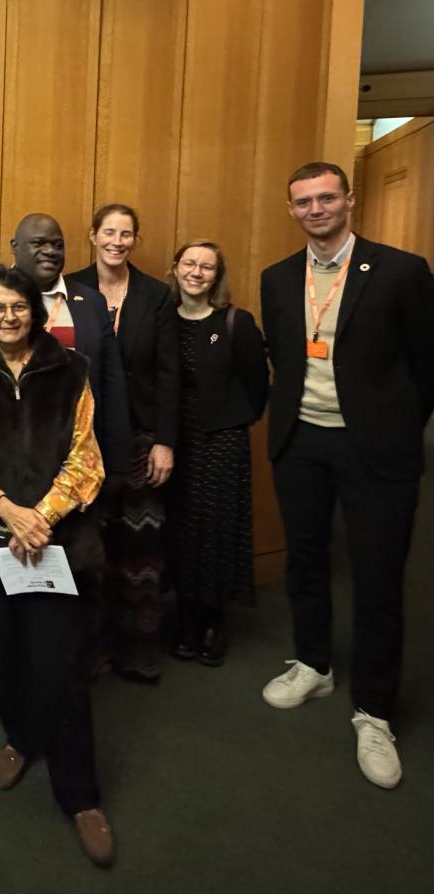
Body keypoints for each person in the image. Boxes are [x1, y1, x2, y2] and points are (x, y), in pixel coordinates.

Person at [259, 161, 434, 790]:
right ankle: (312, 663)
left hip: (375, 450)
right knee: (306, 559)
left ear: (349, 200)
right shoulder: (277, 278)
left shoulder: (401, 271)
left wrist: (398, 424)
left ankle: (375, 711)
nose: (316, 209)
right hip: (301, 441)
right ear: (292, 209)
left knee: (379, 576)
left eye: (326, 197)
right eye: (303, 201)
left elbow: (426, 362)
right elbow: (282, 355)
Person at [0, 263, 114, 868]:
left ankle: (81, 795)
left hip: (58, 541)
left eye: (18, 307)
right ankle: (18, 738)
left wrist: (41, 516)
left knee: (62, 665)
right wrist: (10, 512)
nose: (8, 317)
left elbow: (88, 460)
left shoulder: (72, 371)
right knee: (8, 652)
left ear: (34, 312)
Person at [67, 204, 179, 681]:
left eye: (126, 233)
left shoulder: (155, 295)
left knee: (140, 553)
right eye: (108, 231)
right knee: (88, 551)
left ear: (135, 238)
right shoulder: (67, 288)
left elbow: (171, 371)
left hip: (140, 440)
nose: (117, 240)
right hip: (81, 441)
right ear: (92, 235)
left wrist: (165, 442)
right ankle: (91, 652)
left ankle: (139, 652)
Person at [0, 212, 131, 477]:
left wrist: (118, 463)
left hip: (74, 465)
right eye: (39, 243)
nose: (50, 251)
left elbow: (112, 385)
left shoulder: (91, 302)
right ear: (15, 247)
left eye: (57, 244)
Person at [166, 240, 267, 665]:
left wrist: (230, 419)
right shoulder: (162, 321)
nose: (196, 272)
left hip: (221, 442)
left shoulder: (234, 322)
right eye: (189, 263)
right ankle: (185, 618)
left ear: (216, 275)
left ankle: (213, 623)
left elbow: (258, 384)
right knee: (181, 529)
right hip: (174, 441)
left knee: (217, 531)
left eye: (207, 266)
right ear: (175, 269)